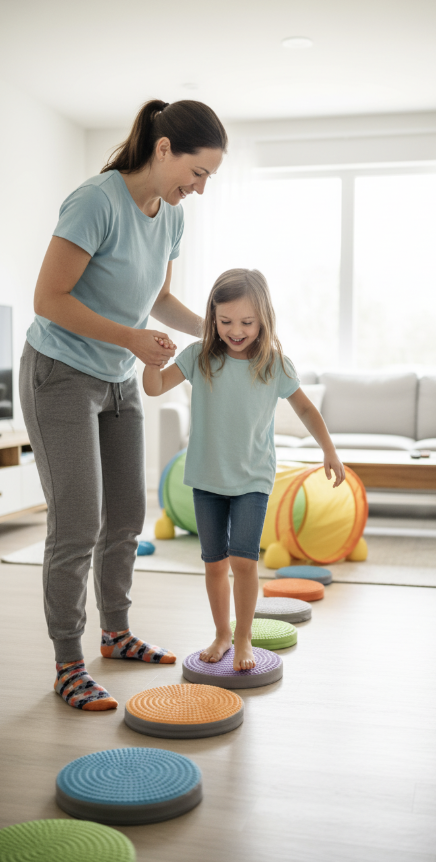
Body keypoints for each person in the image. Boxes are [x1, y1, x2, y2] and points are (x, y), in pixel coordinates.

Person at [19, 99, 227, 711]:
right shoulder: (96, 200)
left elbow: (157, 298)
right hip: (60, 373)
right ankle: (67, 663)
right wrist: (131, 338)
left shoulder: (170, 215)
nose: (201, 188)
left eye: (210, 178)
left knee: (126, 518)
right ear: (164, 150)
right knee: (77, 522)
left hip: (116, 380)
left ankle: (116, 634)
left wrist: (216, 334)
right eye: (199, 172)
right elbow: (48, 298)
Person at [143, 268, 345, 672]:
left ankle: (243, 637)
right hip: (207, 478)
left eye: (247, 323)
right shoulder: (199, 356)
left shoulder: (274, 364)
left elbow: (305, 407)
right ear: (212, 317)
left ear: (263, 319)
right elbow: (153, 387)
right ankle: (221, 633)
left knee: (244, 561)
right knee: (214, 562)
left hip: (253, 479)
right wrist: (150, 357)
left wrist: (330, 450)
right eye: (226, 321)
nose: (236, 330)